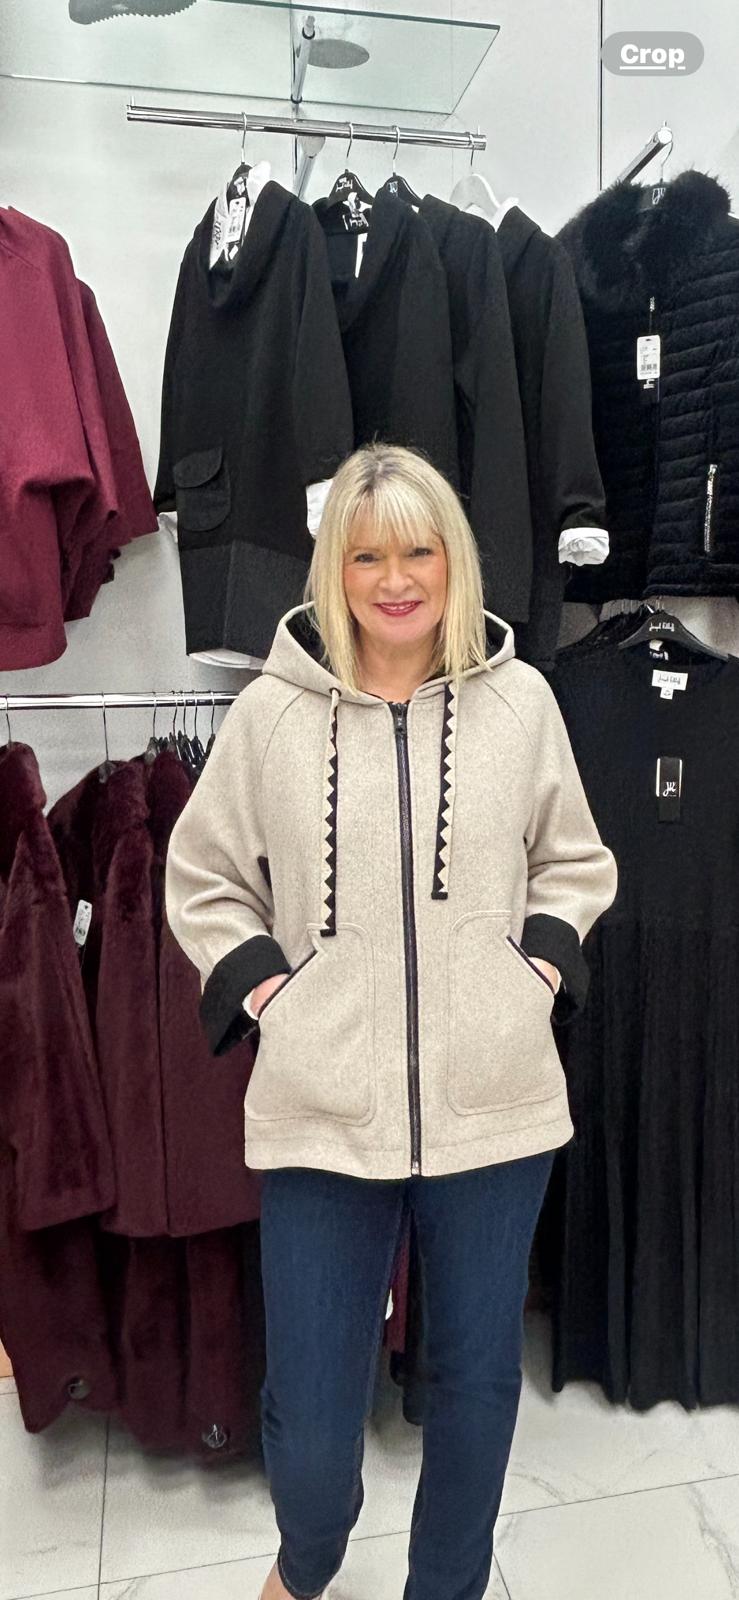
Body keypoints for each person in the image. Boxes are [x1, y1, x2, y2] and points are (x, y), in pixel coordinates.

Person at [166, 443, 617, 1600]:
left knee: (473, 1384)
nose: (396, 578)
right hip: (323, 1108)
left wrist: (532, 973)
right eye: (367, 555)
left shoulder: (520, 704)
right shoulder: (271, 715)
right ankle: (306, 1559)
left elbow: (573, 859)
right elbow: (205, 876)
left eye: (418, 550)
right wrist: (274, 994)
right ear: (335, 568)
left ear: (453, 559)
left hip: (495, 1106)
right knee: (314, 1414)